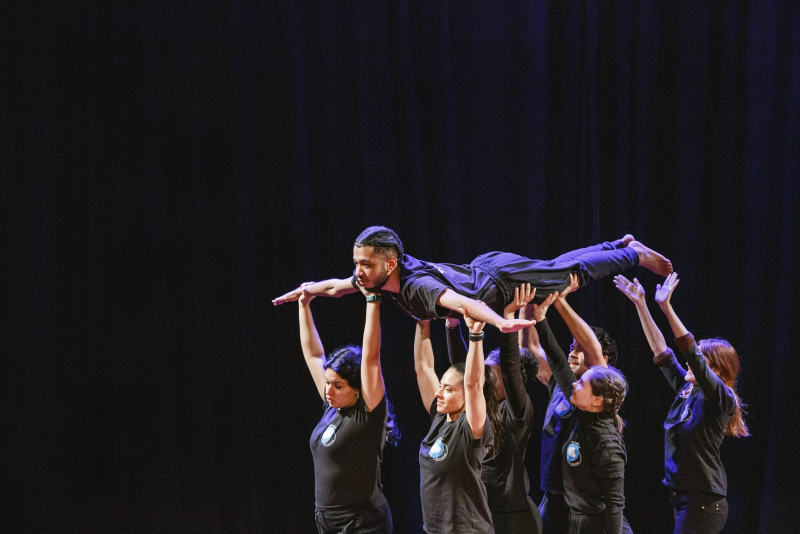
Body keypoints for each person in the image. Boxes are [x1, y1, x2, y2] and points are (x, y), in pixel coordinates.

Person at [273, 226, 673, 333]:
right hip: (488, 269)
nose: (358, 272)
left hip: (500, 280)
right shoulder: (378, 279)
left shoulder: (415, 288)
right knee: (555, 267)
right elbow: (337, 287)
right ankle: (617, 244)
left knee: (568, 276)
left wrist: (501, 322)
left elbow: (465, 305)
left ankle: (632, 254)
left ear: (390, 264)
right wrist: (307, 289)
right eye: (356, 263)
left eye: (365, 265)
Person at [614, 273, 749, 534]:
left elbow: (691, 353)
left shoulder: (721, 397)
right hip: (683, 498)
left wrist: (667, 307)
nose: (689, 362)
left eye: (701, 360)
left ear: (718, 372)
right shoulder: (688, 388)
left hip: (704, 502)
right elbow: (661, 352)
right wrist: (641, 304)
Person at [519, 275, 633, 534]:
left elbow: (592, 347)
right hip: (552, 497)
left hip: (581, 505)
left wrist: (559, 300)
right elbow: (530, 347)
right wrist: (527, 300)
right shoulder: (564, 387)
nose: (572, 352)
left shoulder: (602, 390)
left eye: (578, 348)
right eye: (571, 347)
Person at [444, 284, 544, 534]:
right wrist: (452, 326)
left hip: (513, 516)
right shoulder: (479, 402)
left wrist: (507, 320)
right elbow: (463, 369)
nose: (484, 377)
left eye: (491, 373)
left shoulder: (519, 410)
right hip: (477, 510)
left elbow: (511, 369)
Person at [299, 280, 396, 533]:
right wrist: (304, 305)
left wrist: (372, 301)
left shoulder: (368, 414)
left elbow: (372, 359)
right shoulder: (332, 406)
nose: (328, 391)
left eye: (338, 385)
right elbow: (313, 356)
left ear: (357, 388)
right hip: (326, 519)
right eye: (328, 383)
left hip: (362, 521)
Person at [414, 303, 503, 533]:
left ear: (467, 396)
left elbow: (474, 385)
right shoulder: (440, 418)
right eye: (441, 387)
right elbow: (423, 367)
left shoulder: (472, 428)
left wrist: (475, 334)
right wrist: (422, 318)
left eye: (449, 389)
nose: (438, 393)